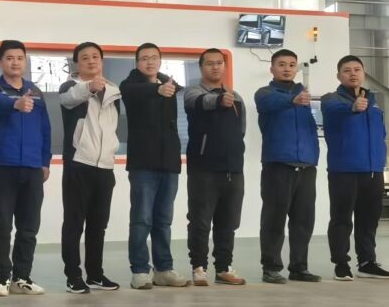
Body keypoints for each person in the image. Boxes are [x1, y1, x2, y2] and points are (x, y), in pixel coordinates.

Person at [0, 40, 52, 296]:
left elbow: (45, 129)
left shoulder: (36, 92)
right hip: (2, 166)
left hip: (32, 167)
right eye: (9, 58)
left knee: (29, 226)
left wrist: (45, 161)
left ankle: (22, 277)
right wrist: (16, 104)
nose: (15, 62)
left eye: (20, 58)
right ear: (0, 63)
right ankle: (1, 278)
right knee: (1, 225)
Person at [120, 42, 188, 290]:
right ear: (137, 62)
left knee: (164, 220)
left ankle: (164, 269)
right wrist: (157, 90)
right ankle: (139, 270)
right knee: (141, 219)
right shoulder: (131, 85)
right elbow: (132, 91)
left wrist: (163, 88)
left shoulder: (168, 84)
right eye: (144, 58)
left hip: (169, 162)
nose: (150, 62)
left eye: (154, 58)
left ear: (160, 61)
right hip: (143, 163)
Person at [322, 55, 389, 281]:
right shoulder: (331, 100)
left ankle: (367, 261)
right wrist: (352, 107)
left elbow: (381, 134)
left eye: (357, 69)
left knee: (369, 219)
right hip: (344, 170)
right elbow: (334, 110)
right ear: (338, 76)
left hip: (373, 170)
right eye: (347, 70)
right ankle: (341, 264)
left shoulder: (374, 103)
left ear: (363, 73)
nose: (352, 74)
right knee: (341, 218)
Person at [59, 42, 121, 294]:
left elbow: (112, 127)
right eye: (85, 58)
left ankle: (95, 274)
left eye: (96, 56)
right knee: (74, 224)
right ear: (77, 63)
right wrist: (89, 87)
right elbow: (69, 99)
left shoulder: (114, 91)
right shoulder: (70, 87)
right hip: (79, 163)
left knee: (98, 225)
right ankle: (73, 276)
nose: (91, 61)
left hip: (105, 166)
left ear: (102, 61)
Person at [255, 49, 321, 285]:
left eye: (292, 65)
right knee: (274, 219)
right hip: (278, 165)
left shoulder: (304, 97)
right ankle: (271, 267)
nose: (287, 69)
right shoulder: (265, 93)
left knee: (303, 221)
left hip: (306, 167)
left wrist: (313, 157)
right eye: (281, 64)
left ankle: (299, 267)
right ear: (272, 68)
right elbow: (267, 103)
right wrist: (292, 100)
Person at [183, 48, 247, 287]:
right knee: (200, 221)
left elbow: (241, 129)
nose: (215, 67)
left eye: (219, 62)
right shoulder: (193, 92)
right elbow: (201, 102)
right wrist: (219, 100)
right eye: (210, 63)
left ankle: (224, 268)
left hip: (233, 168)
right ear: (201, 67)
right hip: (203, 168)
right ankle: (199, 268)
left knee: (228, 222)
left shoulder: (236, 97)